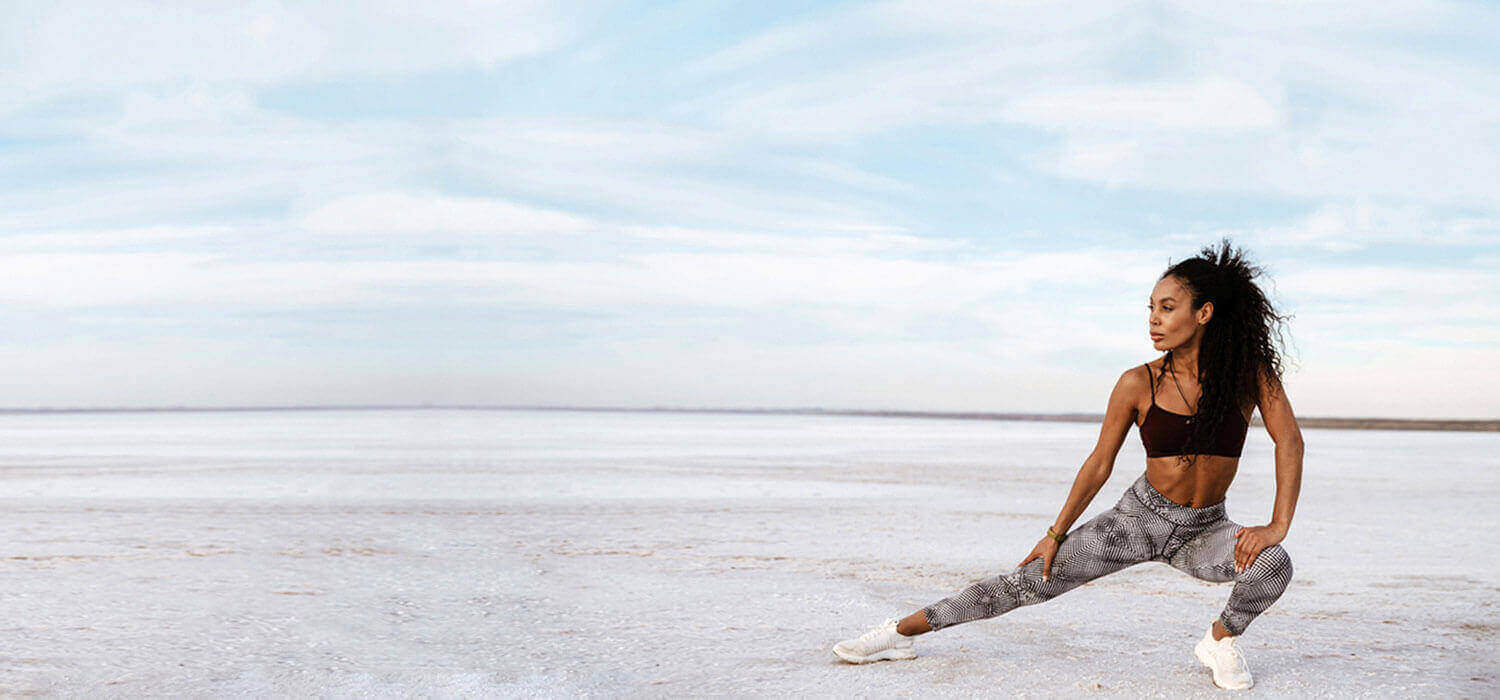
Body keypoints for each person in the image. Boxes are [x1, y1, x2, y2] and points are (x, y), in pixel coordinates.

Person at [831, 239, 1304, 691]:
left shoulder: (1249, 377)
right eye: (1151, 309)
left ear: (1203, 313)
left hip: (1205, 529)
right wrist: (1055, 534)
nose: (1154, 321)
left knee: (1272, 564)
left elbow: (1289, 442)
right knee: (1026, 584)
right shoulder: (1138, 382)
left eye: (1167, 307)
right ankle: (900, 633)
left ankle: (1219, 641)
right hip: (1138, 520)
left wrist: (1277, 524)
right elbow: (1100, 462)